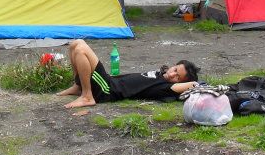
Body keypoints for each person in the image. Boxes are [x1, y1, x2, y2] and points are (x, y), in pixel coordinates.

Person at [57, 39, 200, 108]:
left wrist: (196, 84)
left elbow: (193, 84)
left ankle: (87, 96)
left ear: (180, 82)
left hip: (107, 89)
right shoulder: (159, 74)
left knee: (81, 49)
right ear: (173, 65)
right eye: (175, 70)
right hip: (109, 82)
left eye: (178, 77)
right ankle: (79, 85)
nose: (172, 75)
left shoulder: (164, 87)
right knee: (76, 44)